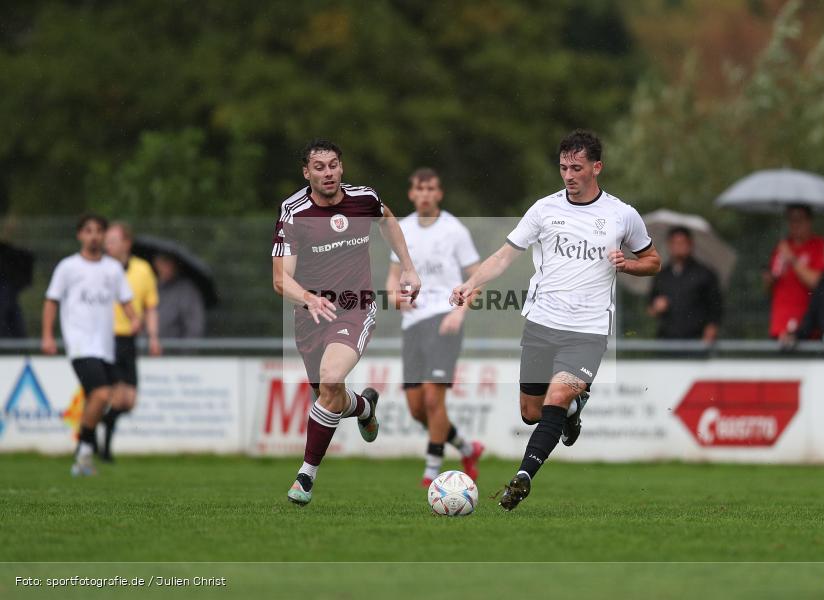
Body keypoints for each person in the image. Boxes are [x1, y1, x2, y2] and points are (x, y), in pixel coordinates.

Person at [451, 130, 660, 511]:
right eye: (563, 167)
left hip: (589, 330)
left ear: (596, 167)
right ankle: (572, 414)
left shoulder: (621, 214)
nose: (568, 175)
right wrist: (471, 283)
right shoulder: (544, 210)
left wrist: (628, 265)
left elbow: (653, 261)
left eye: (577, 168)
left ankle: (523, 476)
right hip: (542, 323)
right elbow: (503, 256)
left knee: (558, 395)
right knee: (531, 413)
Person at [271, 139, 421, 507]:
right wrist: (308, 298)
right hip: (310, 317)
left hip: (355, 307)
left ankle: (305, 477)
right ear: (307, 173)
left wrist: (408, 266)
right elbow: (280, 279)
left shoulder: (364, 198)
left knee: (332, 379)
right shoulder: (294, 211)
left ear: (342, 167)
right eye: (319, 167)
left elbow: (387, 220)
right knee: (329, 396)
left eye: (333, 165)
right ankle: (365, 407)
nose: (328, 173)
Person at [385, 168, 484, 487]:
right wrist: (395, 299)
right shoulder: (402, 229)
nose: (425, 194)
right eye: (419, 189)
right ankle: (468, 448)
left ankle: (432, 472)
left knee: (432, 400)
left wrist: (459, 313)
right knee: (416, 409)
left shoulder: (454, 230)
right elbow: (391, 280)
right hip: (413, 324)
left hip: (445, 320)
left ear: (439, 193)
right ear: (411, 193)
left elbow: (476, 277)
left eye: (431, 189)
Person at [42, 214, 140, 477]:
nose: (94, 236)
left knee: (98, 399)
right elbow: (52, 300)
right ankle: (84, 447)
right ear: (80, 235)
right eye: (88, 231)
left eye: (99, 231)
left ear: (104, 236)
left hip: (105, 345)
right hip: (80, 344)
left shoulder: (112, 269)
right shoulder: (68, 267)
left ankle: (84, 456)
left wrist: (133, 319)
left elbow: (125, 298)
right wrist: (48, 335)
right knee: (101, 394)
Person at [101, 222, 162, 462]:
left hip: (130, 340)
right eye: (107, 241)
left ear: (126, 243)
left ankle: (99, 423)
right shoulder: (102, 269)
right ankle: (104, 450)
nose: (108, 245)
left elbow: (151, 306)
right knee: (118, 397)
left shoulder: (142, 269)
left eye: (112, 240)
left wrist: (154, 337)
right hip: (107, 339)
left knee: (129, 402)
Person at [648, 226, 723, 343]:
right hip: (667, 340)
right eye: (674, 243)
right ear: (669, 245)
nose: (678, 247)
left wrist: (711, 330)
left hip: (696, 339)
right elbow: (650, 307)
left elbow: (716, 307)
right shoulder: (662, 275)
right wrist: (656, 307)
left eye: (682, 243)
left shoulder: (705, 273)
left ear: (690, 244)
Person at [764, 205, 824, 338]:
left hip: (806, 325)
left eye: (799, 220)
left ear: (809, 222)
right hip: (780, 323)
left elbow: (817, 283)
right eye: (791, 220)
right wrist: (769, 279)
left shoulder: (819, 246)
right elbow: (770, 289)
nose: (794, 225)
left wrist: (793, 260)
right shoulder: (781, 247)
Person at [154, 253, 206, 338]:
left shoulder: (187, 290)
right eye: (163, 261)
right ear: (156, 263)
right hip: (146, 348)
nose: (167, 266)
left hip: (174, 348)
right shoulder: (149, 285)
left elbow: (195, 326)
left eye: (170, 262)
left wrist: (185, 349)